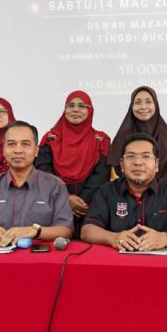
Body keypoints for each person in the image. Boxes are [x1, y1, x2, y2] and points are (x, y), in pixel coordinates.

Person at [0, 121, 73, 245]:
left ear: (36, 150)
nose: (18, 150)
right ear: (3, 150)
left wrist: (34, 231)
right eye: (11, 144)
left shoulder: (55, 186)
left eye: (25, 144)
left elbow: (66, 230)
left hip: (36, 255)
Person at [82, 133, 167, 250]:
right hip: (118, 261)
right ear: (122, 165)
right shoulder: (106, 191)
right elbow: (87, 230)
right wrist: (113, 238)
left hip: (163, 262)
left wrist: (166, 238)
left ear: (156, 164)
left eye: (146, 156)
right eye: (131, 156)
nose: (138, 162)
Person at [35, 90, 110, 234]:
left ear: (90, 111)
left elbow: (101, 175)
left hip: (89, 208)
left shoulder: (101, 140)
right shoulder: (50, 138)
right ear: (65, 109)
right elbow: (43, 172)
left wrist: (82, 202)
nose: (75, 109)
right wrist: (66, 199)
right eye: (70, 105)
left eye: (82, 106)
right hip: (54, 205)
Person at [107, 86, 167, 185]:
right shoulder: (121, 138)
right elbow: (116, 175)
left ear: (155, 105)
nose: (143, 106)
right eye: (138, 102)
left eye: (148, 102)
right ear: (131, 106)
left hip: (164, 192)